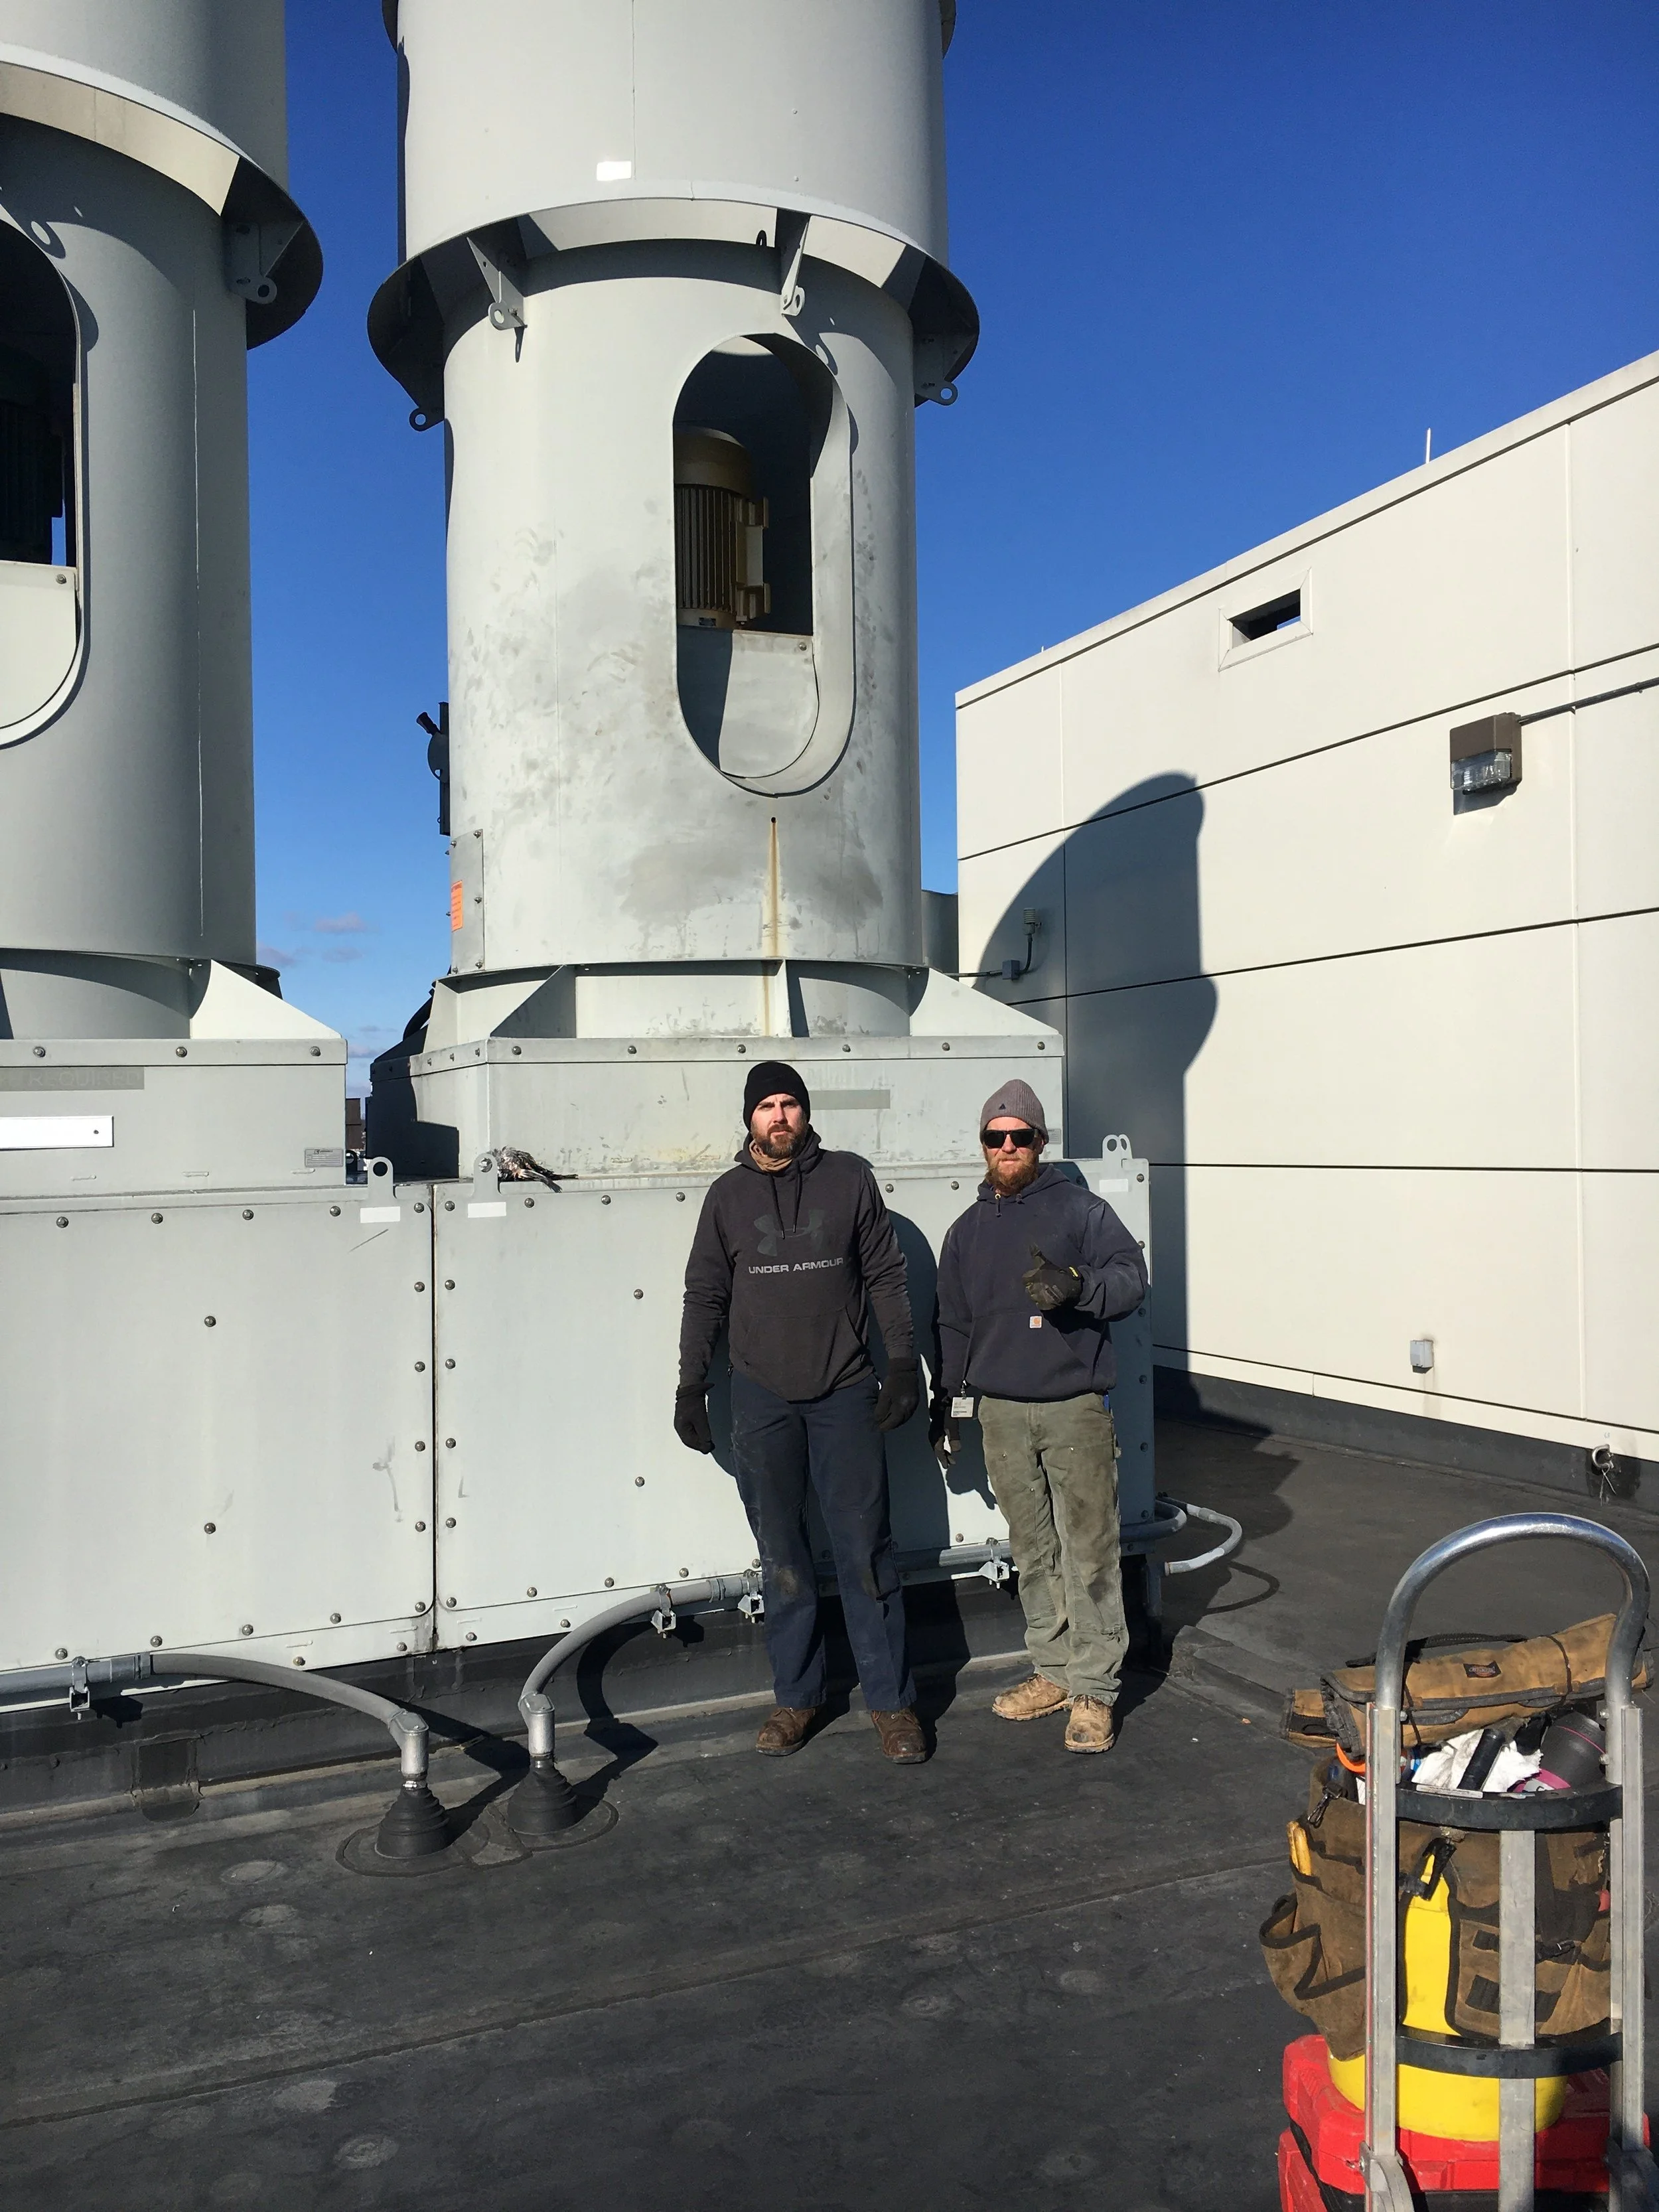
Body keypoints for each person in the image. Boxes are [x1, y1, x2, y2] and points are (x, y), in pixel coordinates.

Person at [675, 1060, 925, 1763]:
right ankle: (798, 1696)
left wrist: (903, 1364)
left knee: (865, 1552)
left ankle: (892, 1703)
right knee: (781, 1555)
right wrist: (690, 1385)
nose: (779, 1117)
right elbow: (705, 1295)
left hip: (845, 1391)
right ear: (750, 1118)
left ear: (805, 1113)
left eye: (790, 1104)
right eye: (767, 1107)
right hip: (760, 1398)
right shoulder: (726, 1197)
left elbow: (884, 1274)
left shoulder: (850, 1180)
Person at [932, 1080, 1148, 1754]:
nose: (1006, 1147)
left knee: (1089, 1549)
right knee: (1032, 1551)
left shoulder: (1080, 1212)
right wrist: (949, 1399)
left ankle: (1094, 1690)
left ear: (1039, 1142)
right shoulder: (966, 1232)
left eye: (1018, 1136)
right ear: (983, 1146)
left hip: (1072, 1410)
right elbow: (954, 1323)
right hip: (999, 1411)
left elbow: (1131, 1278)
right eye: (994, 1138)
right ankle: (1051, 1671)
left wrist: (1080, 1288)